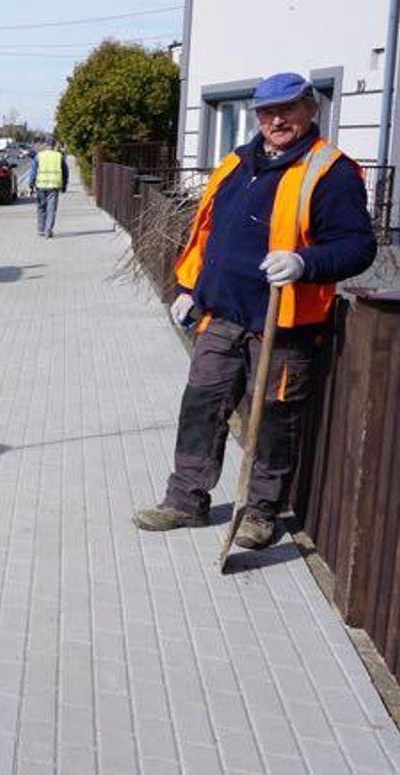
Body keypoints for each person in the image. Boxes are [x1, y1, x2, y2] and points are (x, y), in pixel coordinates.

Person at [133, 72, 376, 549]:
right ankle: (186, 500)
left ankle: (260, 513)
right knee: (201, 408)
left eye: (287, 108)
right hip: (221, 316)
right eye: (267, 111)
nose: (277, 119)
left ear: (311, 110)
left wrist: (305, 261)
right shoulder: (236, 164)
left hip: (283, 326)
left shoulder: (330, 172)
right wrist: (189, 287)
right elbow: (208, 233)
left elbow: (357, 247)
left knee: (273, 422)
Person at [31, 140, 69, 237]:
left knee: (41, 208)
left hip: (40, 186)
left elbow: (33, 173)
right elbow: (65, 172)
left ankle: (41, 229)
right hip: (53, 186)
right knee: (51, 209)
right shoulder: (59, 156)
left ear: (45, 145)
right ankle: (48, 230)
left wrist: (31, 185)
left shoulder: (38, 156)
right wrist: (64, 185)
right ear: (54, 145)